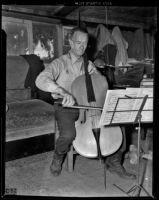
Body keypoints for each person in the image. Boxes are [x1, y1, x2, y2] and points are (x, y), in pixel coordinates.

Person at [35, 27, 136, 180]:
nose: (81, 47)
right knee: (68, 135)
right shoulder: (60, 63)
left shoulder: (88, 64)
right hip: (66, 105)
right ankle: (58, 156)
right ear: (70, 42)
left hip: (90, 106)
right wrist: (61, 91)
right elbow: (41, 79)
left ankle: (114, 162)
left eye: (85, 43)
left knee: (118, 121)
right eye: (78, 43)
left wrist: (98, 74)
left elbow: (100, 84)